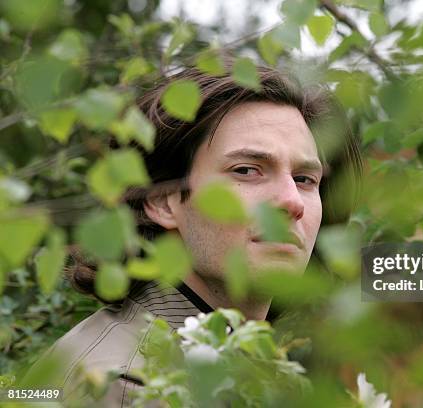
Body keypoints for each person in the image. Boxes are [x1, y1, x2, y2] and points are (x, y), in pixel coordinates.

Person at [25, 63, 362, 406]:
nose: (291, 201)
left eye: (305, 179)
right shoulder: (133, 387)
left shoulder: (226, 369)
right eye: (246, 171)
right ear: (161, 200)